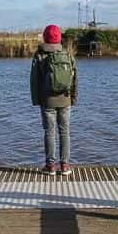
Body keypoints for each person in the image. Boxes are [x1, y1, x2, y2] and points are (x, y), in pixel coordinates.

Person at [30, 24, 78, 175]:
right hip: (65, 99)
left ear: (45, 37)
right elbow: (75, 77)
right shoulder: (67, 54)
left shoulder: (39, 55)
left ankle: (50, 166)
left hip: (47, 101)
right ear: (58, 38)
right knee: (65, 132)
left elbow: (34, 80)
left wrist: (36, 99)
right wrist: (73, 98)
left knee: (49, 132)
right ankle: (65, 166)